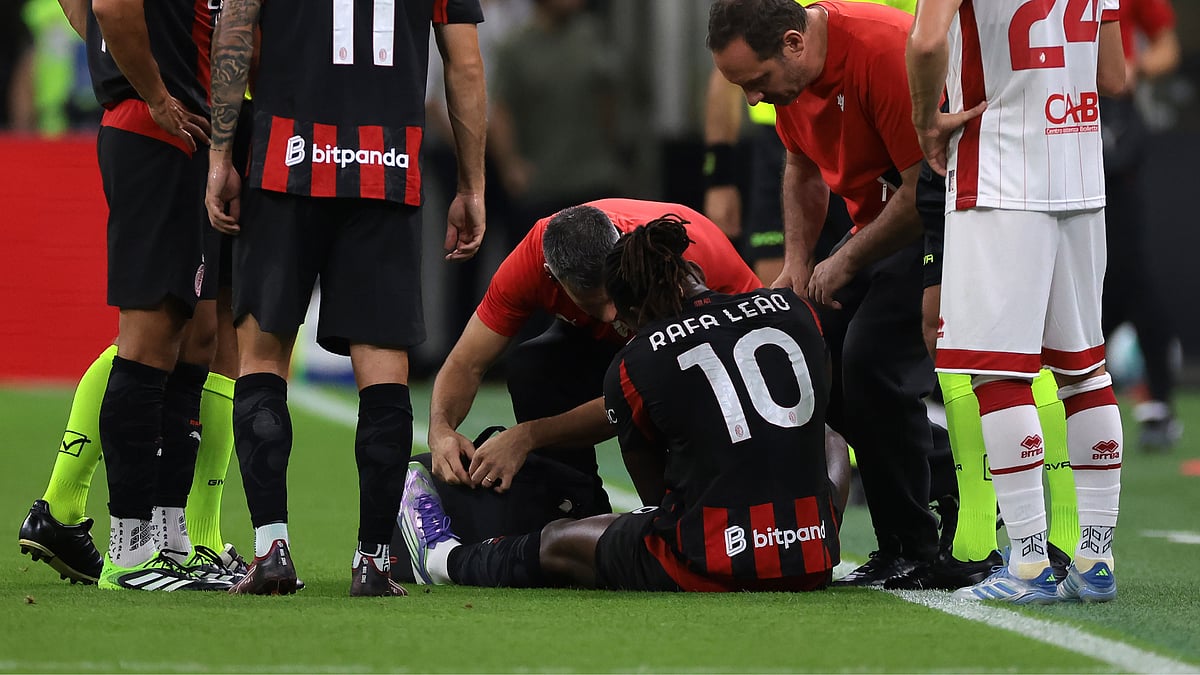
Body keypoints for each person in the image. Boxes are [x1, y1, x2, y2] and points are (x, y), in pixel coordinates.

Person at [205, 0, 487, 597]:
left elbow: (234, 30)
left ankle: (270, 551)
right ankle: (374, 561)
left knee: (261, 355)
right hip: (386, 163)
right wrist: (471, 185)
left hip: (286, 157)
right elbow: (464, 65)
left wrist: (221, 156)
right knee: (383, 366)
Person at [400, 218, 848, 592]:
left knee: (559, 541)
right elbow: (808, 413)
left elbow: (655, 500)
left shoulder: (640, 358)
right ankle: (814, 532)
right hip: (810, 559)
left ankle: (445, 558)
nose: (615, 320)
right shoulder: (793, 309)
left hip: (713, 559)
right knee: (829, 441)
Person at [707, 0, 942, 586]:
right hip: (880, 225)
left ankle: (920, 543)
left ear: (793, 43)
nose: (754, 101)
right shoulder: (792, 80)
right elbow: (801, 168)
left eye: (756, 82)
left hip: (944, 218)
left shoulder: (884, 51)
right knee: (812, 358)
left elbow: (922, 192)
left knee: (870, 366)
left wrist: (841, 261)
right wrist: (796, 264)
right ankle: (928, 503)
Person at [18, 3, 251, 588]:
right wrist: (146, 84)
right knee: (153, 337)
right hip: (163, 125)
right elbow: (108, 6)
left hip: (196, 125)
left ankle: (172, 539)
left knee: (194, 335)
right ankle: (126, 543)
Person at [907, 0, 1126, 603]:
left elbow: (926, 44)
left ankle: (1028, 561)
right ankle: (1097, 556)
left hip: (1000, 169)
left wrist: (927, 118)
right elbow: (1115, 76)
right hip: (1080, 169)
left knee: (997, 372)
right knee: (1085, 370)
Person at [426, 199, 761, 514]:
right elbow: (465, 363)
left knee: (654, 411)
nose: (611, 313)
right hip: (646, 350)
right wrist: (441, 429)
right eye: (591, 302)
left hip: (724, 356)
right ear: (551, 275)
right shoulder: (530, 261)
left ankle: (675, 517)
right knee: (537, 367)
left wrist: (527, 436)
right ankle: (571, 508)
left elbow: (644, 393)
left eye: (613, 294)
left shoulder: (663, 263)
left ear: (621, 256)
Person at [1100, 0, 1181, 451]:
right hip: (1047, 123)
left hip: (1111, 120)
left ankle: (1159, 404)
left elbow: (1168, 48)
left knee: (1129, 270)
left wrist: (1133, 68)